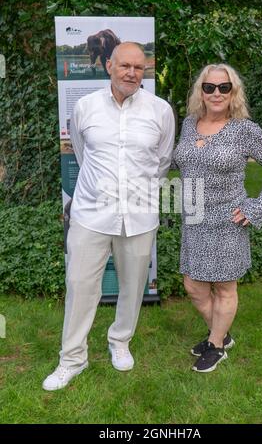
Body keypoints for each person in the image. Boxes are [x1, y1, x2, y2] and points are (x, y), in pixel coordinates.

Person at [43, 42, 175, 391]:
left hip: (139, 217)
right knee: (79, 285)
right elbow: (84, 157)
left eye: (138, 67)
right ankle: (72, 358)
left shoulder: (161, 111)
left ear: (145, 70)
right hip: (90, 215)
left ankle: (120, 342)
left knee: (133, 286)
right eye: (124, 66)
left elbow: (161, 163)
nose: (132, 73)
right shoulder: (85, 107)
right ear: (109, 66)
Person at [173, 63, 262, 373]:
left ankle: (217, 344)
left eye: (224, 87)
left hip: (228, 220)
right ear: (201, 91)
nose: (217, 93)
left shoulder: (243, 129)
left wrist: (256, 206)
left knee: (224, 288)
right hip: (194, 219)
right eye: (210, 87)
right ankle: (218, 333)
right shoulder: (189, 124)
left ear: (233, 92)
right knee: (194, 286)